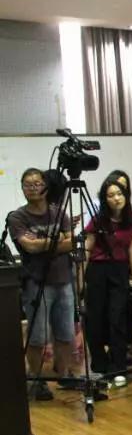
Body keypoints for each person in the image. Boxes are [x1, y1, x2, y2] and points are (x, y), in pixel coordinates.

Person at [8, 168, 76, 400]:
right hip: (36, 283)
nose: (33, 188)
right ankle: (37, 381)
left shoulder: (59, 213)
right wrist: (57, 241)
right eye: (27, 185)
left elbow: (72, 243)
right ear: (22, 188)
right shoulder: (17, 217)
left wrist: (43, 243)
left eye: (37, 184)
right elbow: (29, 246)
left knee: (66, 333)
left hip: (64, 280)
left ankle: (64, 374)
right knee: (37, 336)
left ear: (45, 187)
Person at [83, 178, 132, 385]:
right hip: (98, 269)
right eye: (110, 195)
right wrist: (80, 277)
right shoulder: (98, 219)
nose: (116, 198)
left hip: (120, 270)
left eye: (119, 194)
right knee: (95, 318)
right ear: (104, 199)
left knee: (117, 317)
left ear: (125, 196)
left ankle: (118, 367)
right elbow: (88, 248)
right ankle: (99, 365)